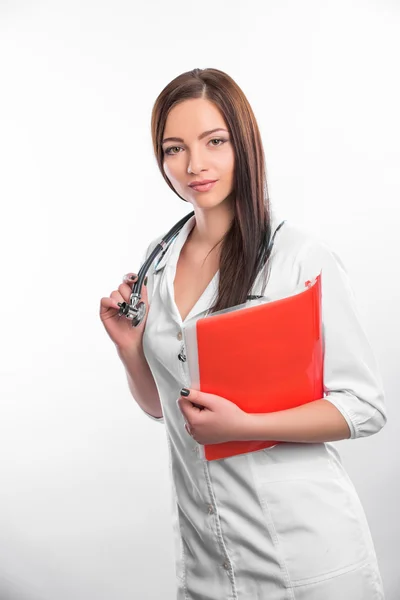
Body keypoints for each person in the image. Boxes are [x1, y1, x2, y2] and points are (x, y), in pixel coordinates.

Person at [99, 68, 387, 599]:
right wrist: (131, 351)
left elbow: (364, 407)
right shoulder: (156, 264)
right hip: (207, 558)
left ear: (244, 143)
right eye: (174, 148)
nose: (194, 166)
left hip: (306, 553)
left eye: (214, 141)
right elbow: (160, 406)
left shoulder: (300, 256)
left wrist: (245, 424)